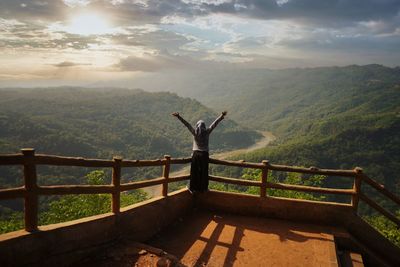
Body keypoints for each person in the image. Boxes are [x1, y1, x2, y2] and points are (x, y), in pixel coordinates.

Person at [172, 111, 227, 193]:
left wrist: (179, 117)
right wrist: (221, 116)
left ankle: (193, 188)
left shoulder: (194, 133)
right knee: (204, 172)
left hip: (196, 154)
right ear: (204, 126)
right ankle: (204, 188)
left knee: (194, 171)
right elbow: (214, 124)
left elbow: (187, 125)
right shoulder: (207, 132)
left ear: (197, 126)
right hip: (204, 154)